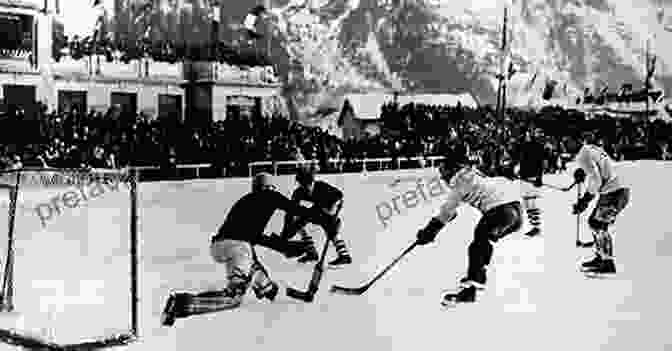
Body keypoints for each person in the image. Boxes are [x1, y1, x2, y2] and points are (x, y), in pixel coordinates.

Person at [161, 172, 335, 326]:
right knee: (234, 298)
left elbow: (257, 238)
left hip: (221, 246)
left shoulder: (246, 202)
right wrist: (325, 220)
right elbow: (295, 209)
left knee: (267, 287)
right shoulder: (270, 196)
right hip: (238, 246)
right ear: (269, 187)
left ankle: (300, 296)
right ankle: (181, 303)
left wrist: (287, 248)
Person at [415, 150, 523, 306]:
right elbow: (451, 212)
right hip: (515, 214)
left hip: (501, 212)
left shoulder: (460, 181)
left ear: (453, 169)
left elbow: (447, 210)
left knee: (480, 242)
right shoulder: (472, 174)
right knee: (482, 242)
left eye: (443, 172)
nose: (442, 177)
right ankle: (474, 281)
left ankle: (474, 284)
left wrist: (429, 232)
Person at [568, 138, 630, 275]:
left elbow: (596, 179)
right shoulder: (590, 148)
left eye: (568, 141)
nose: (566, 144)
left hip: (614, 191)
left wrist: (585, 200)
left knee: (598, 224)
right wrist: (583, 172)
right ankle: (600, 257)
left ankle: (607, 263)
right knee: (595, 222)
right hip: (617, 188)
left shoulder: (582, 155)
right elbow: (600, 167)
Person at [282, 167, 352, 268]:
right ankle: (311, 252)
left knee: (330, 228)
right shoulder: (298, 192)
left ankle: (344, 255)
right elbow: (290, 212)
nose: (307, 188)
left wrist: (332, 208)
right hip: (312, 213)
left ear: (312, 182)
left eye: (308, 185)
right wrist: (286, 231)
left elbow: (339, 195)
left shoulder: (321, 186)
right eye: (303, 185)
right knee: (298, 222)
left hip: (326, 213)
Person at [515, 128, 548, 237]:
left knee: (531, 204)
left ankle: (536, 227)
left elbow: (542, 164)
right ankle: (534, 226)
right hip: (525, 178)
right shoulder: (524, 146)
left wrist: (539, 178)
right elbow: (521, 160)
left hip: (533, 178)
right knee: (527, 204)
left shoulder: (539, 147)